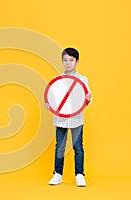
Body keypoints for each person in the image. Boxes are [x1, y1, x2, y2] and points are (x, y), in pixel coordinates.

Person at [45, 47, 92, 187]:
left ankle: (79, 175)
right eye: (65, 60)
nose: (68, 63)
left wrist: (88, 99)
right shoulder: (57, 80)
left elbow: (88, 98)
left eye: (71, 60)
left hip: (77, 119)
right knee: (60, 146)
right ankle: (57, 174)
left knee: (78, 147)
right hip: (60, 119)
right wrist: (49, 103)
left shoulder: (83, 79)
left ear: (77, 61)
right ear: (62, 61)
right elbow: (52, 98)